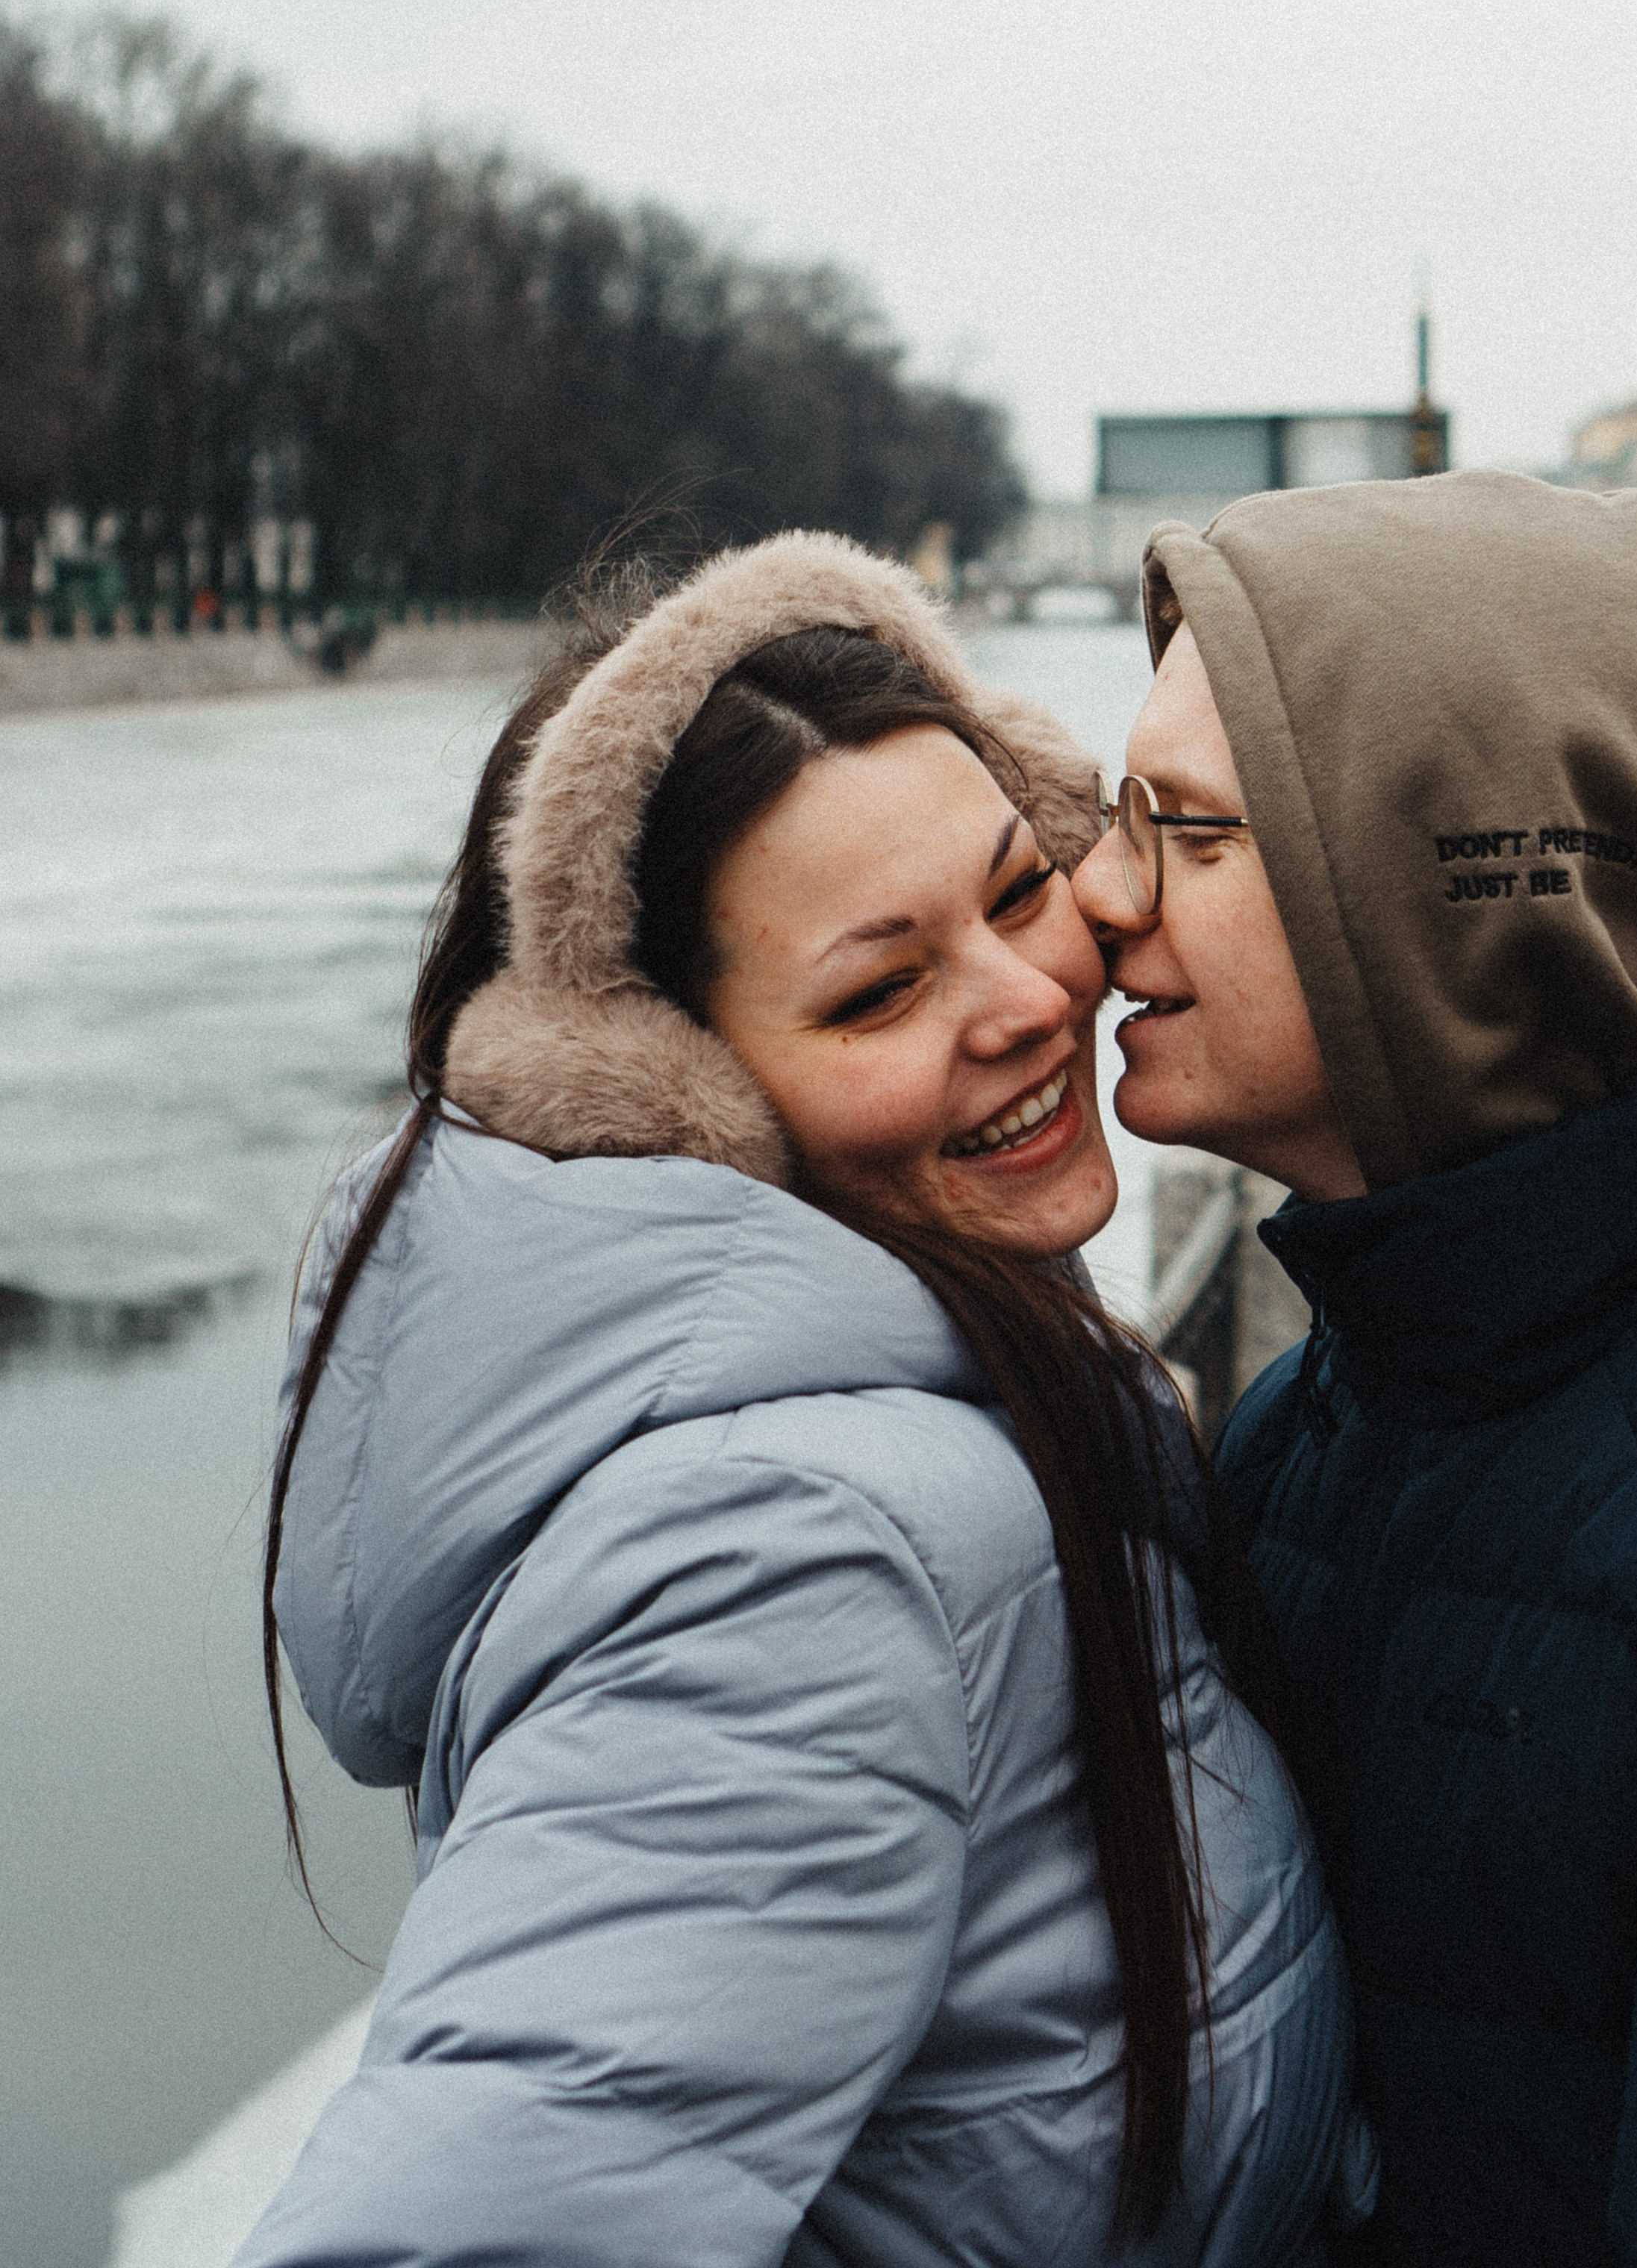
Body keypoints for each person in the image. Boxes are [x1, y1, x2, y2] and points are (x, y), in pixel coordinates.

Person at [237, 532, 1366, 2268]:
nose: (1030, 1000)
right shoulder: (802, 1566)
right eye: (876, 991)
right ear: (679, 1104)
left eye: (1013, 891)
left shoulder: (940, 1421)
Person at [1073, 469, 1637, 2267]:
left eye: (1195, 835)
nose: (1094, 898)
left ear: (1463, 901)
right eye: (1113, 812)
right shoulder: (1330, 1406)